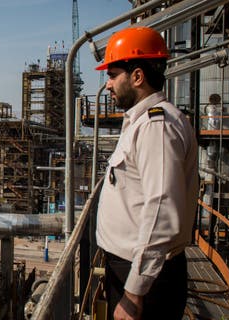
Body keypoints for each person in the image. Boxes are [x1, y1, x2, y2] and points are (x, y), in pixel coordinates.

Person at [95, 26, 199, 319]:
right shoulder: (142, 122)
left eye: (113, 75)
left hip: (145, 280)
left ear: (137, 76)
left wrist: (133, 292)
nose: (108, 85)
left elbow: (161, 211)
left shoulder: (157, 127)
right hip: (137, 270)